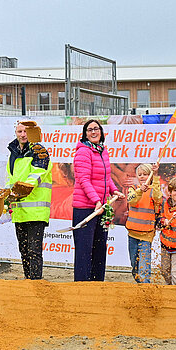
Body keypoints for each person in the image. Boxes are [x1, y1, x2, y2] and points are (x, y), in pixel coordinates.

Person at [72, 120, 124, 282]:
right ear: (85, 133)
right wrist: (96, 200)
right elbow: (83, 179)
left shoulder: (102, 151)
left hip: (101, 208)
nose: (93, 132)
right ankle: (82, 285)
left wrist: (113, 190)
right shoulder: (83, 152)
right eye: (89, 130)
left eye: (96, 129)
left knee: (100, 247)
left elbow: (105, 177)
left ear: (101, 132)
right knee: (84, 249)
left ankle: (97, 283)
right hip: (86, 209)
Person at [5, 121, 52, 280]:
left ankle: (36, 283)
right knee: (24, 250)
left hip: (36, 211)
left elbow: (36, 176)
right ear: (16, 133)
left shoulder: (40, 152)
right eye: (19, 131)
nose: (22, 135)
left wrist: (17, 191)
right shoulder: (13, 154)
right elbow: (10, 179)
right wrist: (7, 195)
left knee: (34, 250)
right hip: (19, 211)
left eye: (25, 131)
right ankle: (28, 281)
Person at [125, 163, 162, 284]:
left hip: (146, 234)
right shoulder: (133, 188)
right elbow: (132, 201)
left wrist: (156, 177)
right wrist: (140, 191)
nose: (142, 177)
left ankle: (145, 288)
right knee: (134, 265)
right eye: (140, 174)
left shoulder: (153, 190)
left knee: (144, 265)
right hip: (132, 234)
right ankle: (140, 283)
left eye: (145, 174)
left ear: (150, 176)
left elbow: (158, 198)